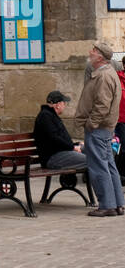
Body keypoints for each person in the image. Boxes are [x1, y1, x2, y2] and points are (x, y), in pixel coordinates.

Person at [75, 41, 125, 217]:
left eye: (94, 51)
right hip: (105, 127)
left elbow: (102, 105)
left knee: (98, 167)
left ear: (101, 57)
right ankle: (118, 204)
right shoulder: (109, 73)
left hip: (99, 128)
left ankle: (107, 205)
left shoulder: (103, 76)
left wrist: (91, 123)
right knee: (109, 165)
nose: (91, 52)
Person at [32, 91, 87, 170]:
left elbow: (59, 138)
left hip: (61, 151)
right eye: (64, 103)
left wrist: (76, 144)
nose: (65, 106)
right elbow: (54, 138)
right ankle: (92, 180)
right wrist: (72, 147)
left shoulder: (51, 115)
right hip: (53, 157)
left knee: (90, 149)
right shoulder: (45, 117)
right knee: (92, 161)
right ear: (58, 105)